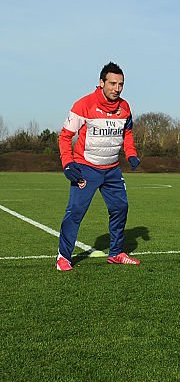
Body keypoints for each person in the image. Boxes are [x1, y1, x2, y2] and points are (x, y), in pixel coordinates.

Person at [56, 62, 142, 271]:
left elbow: (127, 133)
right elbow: (65, 136)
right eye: (112, 83)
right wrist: (67, 163)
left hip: (112, 169)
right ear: (101, 83)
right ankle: (63, 257)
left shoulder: (125, 107)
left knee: (120, 207)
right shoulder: (83, 105)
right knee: (76, 211)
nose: (117, 88)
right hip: (86, 168)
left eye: (121, 84)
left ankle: (116, 253)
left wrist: (131, 154)